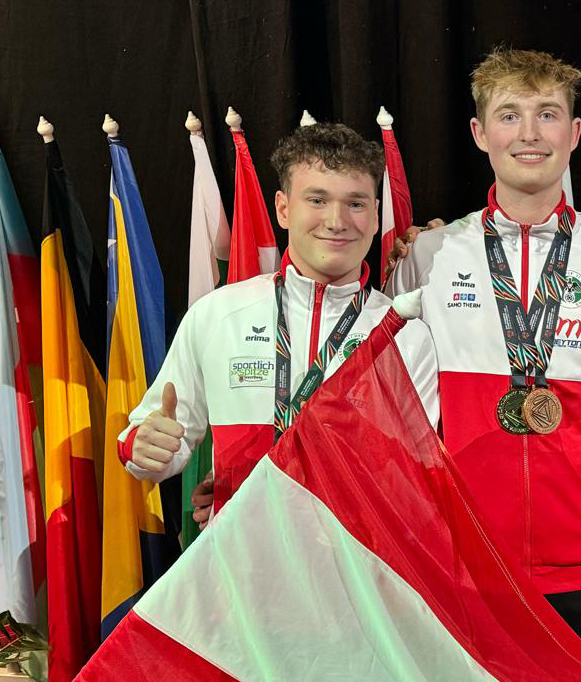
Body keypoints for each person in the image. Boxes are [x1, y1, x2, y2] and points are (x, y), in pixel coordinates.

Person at [390, 48, 581, 671]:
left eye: (548, 114)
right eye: (509, 115)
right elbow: (399, 405)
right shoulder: (431, 256)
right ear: (480, 134)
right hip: (465, 562)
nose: (530, 133)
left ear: (575, 134)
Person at [122, 122, 437, 525]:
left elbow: (406, 476)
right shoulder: (218, 314)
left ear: (376, 216)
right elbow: (153, 441)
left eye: (356, 203)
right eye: (317, 200)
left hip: (353, 571)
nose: (337, 221)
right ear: (284, 209)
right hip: (238, 567)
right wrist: (147, 449)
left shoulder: (406, 336)